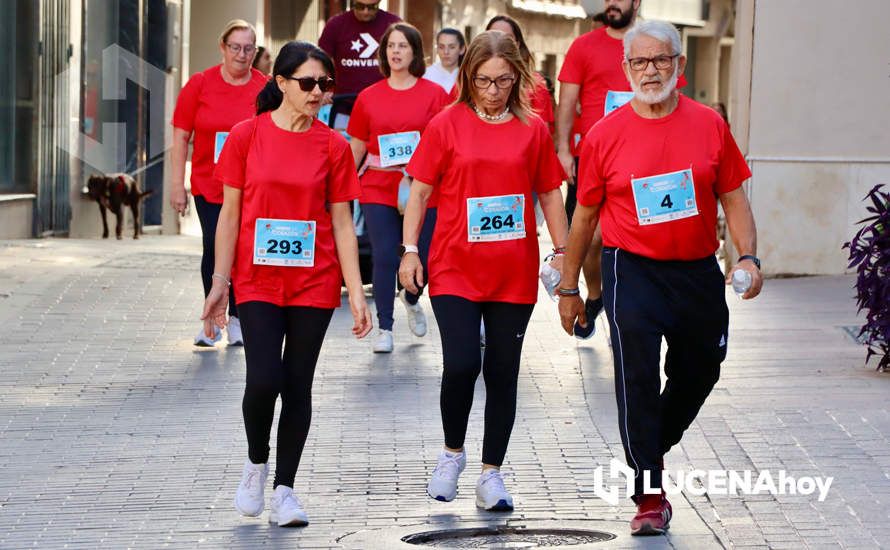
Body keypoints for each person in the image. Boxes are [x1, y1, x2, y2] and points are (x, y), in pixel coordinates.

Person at [557, 20, 761, 536]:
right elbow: (583, 219)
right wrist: (568, 288)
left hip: (696, 270)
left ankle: (650, 442)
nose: (651, 71)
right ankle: (649, 492)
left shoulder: (709, 125)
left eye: (661, 60)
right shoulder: (605, 135)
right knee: (638, 377)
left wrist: (749, 257)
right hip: (633, 269)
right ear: (626, 69)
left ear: (680, 66)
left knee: (703, 369)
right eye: (640, 62)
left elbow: (733, 196)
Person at [202, 41, 373, 527]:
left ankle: (285, 490)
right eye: (308, 83)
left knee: (297, 384)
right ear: (280, 83)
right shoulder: (245, 136)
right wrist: (219, 281)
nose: (319, 92)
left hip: (314, 284)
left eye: (326, 84)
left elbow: (342, 223)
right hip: (256, 279)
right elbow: (229, 214)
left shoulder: (334, 146)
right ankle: (257, 463)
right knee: (263, 381)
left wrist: (356, 293)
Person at [399, 31, 569, 511]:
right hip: (454, 265)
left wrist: (562, 251)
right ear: (467, 78)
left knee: (502, 372)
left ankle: (491, 474)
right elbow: (419, 192)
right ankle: (452, 454)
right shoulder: (446, 124)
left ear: (517, 78)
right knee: (461, 365)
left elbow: (550, 193)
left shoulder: (532, 128)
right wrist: (410, 249)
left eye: (502, 81)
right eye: (482, 81)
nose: (493, 90)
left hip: (512, 270)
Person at [347, 23, 450, 353]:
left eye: (403, 46)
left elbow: (448, 142)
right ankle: (385, 328)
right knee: (384, 253)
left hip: (424, 188)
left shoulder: (434, 94)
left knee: (425, 254)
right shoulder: (368, 97)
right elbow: (357, 146)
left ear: (415, 52)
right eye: (390, 46)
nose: (395, 52)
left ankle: (411, 296)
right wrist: (339, 187)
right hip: (378, 183)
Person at [170, 19, 268, 347]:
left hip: (250, 185)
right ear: (222, 48)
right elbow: (181, 135)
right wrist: (176, 184)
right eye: (235, 47)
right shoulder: (199, 84)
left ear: (256, 51)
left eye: (248, 48)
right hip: (209, 183)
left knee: (242, 250)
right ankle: (212, 319)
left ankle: (237, 318)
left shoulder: (265, 88)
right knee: (214, 244)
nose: (242, 54)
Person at [485, 15, 554, 133]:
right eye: (493, 37)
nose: (499, 43)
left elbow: (542, 135)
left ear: (517, 44)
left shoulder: (536, 85)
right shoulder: (471, 80)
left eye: (507, 38)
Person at [318, 0, 401, 96]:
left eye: (371, 7)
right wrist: (325, 90)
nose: (365, 11)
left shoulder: (393, 23)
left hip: (384, 99)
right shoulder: (336, 24)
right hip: (344, 101)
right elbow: (321, 61)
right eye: (360, 6)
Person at [423, 28, 466, 93]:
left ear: (462, 49)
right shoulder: (426, 75)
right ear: (437, 49)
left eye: (452, 47)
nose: (446, 52)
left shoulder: (467, 75)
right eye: (441, 47)